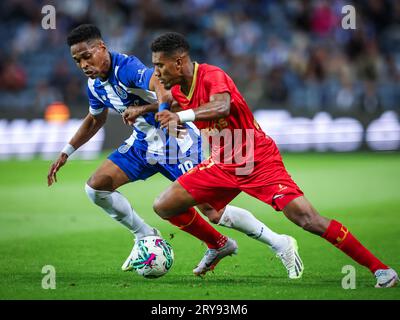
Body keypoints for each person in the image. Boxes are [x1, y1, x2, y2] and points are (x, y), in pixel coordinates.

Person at [47, 24, 303, 278]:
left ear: (101, 48)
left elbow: (158, 83)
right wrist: (66, 151)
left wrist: (163, 113)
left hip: (175, 143)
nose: (83, 65)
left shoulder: (126, 67)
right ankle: (147, 235)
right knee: (96, 187)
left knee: (212, 210)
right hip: (143, 144)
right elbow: (95, 119)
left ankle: (279, 242)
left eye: (87, 56)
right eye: (77, 60)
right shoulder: (95, 86)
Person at [151, 32, 398, 287]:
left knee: (308, 219)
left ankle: (381, 269)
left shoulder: (212, 75)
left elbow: (222, 106)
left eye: (159, 65)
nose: (156, 71)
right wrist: (152, 110)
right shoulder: (178, 88)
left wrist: (179, 118)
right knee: (165, 205)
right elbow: (168, 98)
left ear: (178, 62)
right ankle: (219, 244)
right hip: (221, 163)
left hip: (256, 159)